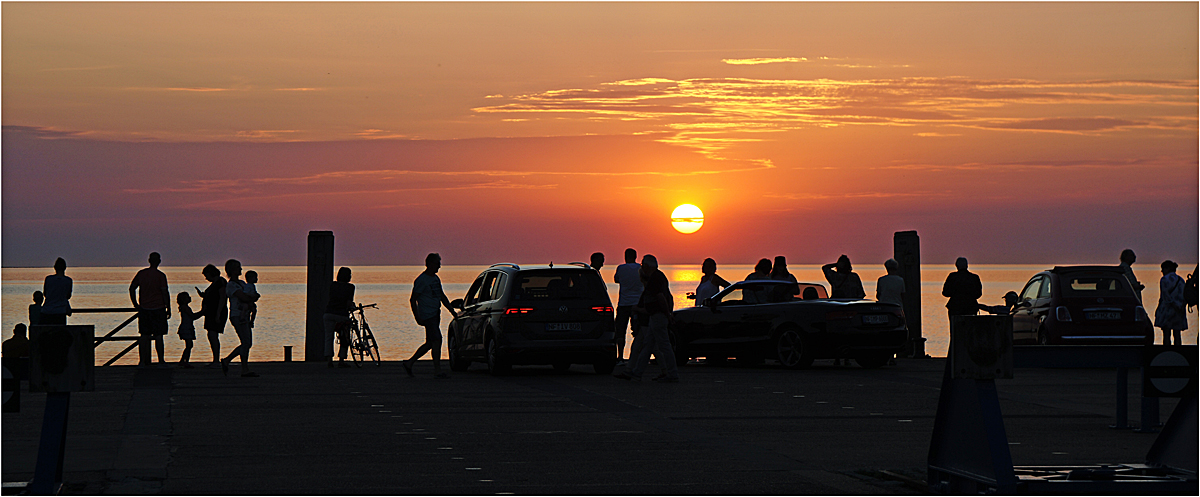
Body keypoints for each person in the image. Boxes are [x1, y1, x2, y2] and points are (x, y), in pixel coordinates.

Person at [614, 254, 679, 382]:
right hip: (655, 316)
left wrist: (667, 314)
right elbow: (668, 297)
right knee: (648, 345)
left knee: (664, 346)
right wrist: (669, 312)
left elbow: (661, 298)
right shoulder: (659, 277)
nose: (642, 266)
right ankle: (637, 372)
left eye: (643, 264)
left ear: (648, 266)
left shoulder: (654, 279)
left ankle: (672, 373)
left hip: (657, 316)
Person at [403, 253, 458, 379]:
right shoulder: (421, 280)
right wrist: (417, 317)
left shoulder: (435, 279)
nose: (439, 267)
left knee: (430, 343)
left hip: (435, 314)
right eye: (437, 264)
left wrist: (451, 311)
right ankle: (437, 370)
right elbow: (413, 300)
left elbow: (441, 296)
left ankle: (409, 363)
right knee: (437, 340)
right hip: (427, 315)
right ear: (430, 264)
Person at [130, 252, 170, 365]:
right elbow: (164, 292)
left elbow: (132, 288)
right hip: (159, 308)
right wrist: (169, 307)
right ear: (159, 261)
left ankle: (142, 361)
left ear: (149, 261)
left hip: (144, 309)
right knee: (159, 336)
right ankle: (161, 361)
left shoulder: (141, 274)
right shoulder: (161, 275)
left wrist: (135, 304)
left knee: (144, 335)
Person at [221, 259, 259, 377]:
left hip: (245, 315)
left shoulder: (243, 284)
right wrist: (252, 297)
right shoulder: (231, 285)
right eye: (238, 268)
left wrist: (252, 297)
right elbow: (244, 297)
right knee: (246, 342)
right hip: (237, 316)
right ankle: (243, 368)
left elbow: (252, 296)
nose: (241, 270)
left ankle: (229, 361)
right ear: (232, 270)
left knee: (247, 342)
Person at [613, 248, 643, 365]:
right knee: (637, 332)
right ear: (636, 256)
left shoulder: (621, 268)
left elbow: (616, 280)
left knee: (620, 331)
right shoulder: (640, 268)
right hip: (637, 304)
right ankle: (635, 357)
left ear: (625, 256)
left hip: (623, 304)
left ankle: (620, 357)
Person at [196, 264, 228, 368]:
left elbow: (222, 298)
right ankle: (215, 359)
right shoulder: (215, 283)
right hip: (211, 313)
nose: (206, 278)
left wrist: (218, 313)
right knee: (211, 335)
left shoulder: (220, 282)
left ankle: (216, 360)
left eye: (206, 275)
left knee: (213, 335)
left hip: (216, 312)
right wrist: (203, 295)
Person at [324, 267, 356, 368]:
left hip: (328, 313)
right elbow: (348, 302)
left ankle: (329, 360)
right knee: (344, 338)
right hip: (341, 315)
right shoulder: (350, 287)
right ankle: (341, 360)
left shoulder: (333, 285)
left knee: (329, 337)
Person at [1154, 260, 1187, 346]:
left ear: (1167, 269)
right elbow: (1184, 296)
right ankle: (1179, 353)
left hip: (1167, 310)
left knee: (1166, 334)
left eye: (1163, 269)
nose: (1162, 271)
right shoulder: (1181, 280)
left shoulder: (1164, 279)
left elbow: (1165, 296)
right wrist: (1180, 307)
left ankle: (1166, 353)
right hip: (1179, 310)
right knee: (1177, 335)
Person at [41, 258, 72, 325]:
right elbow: (68, 296)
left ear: (54, 267)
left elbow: (45, 294)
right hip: (60, 312)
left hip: (47, 311)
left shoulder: (48, 279)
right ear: (65, 268)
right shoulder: (68, 280)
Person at [176, 292, 202, 368]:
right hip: (186, 328)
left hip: (187, 327)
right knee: (189, 345)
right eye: (187, 297)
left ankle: (183, 361)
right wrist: (202, 312)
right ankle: (185, 361)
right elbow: (193, 316)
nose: (190, 298)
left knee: (189, 345)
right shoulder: (185, 308)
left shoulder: (184, 307)